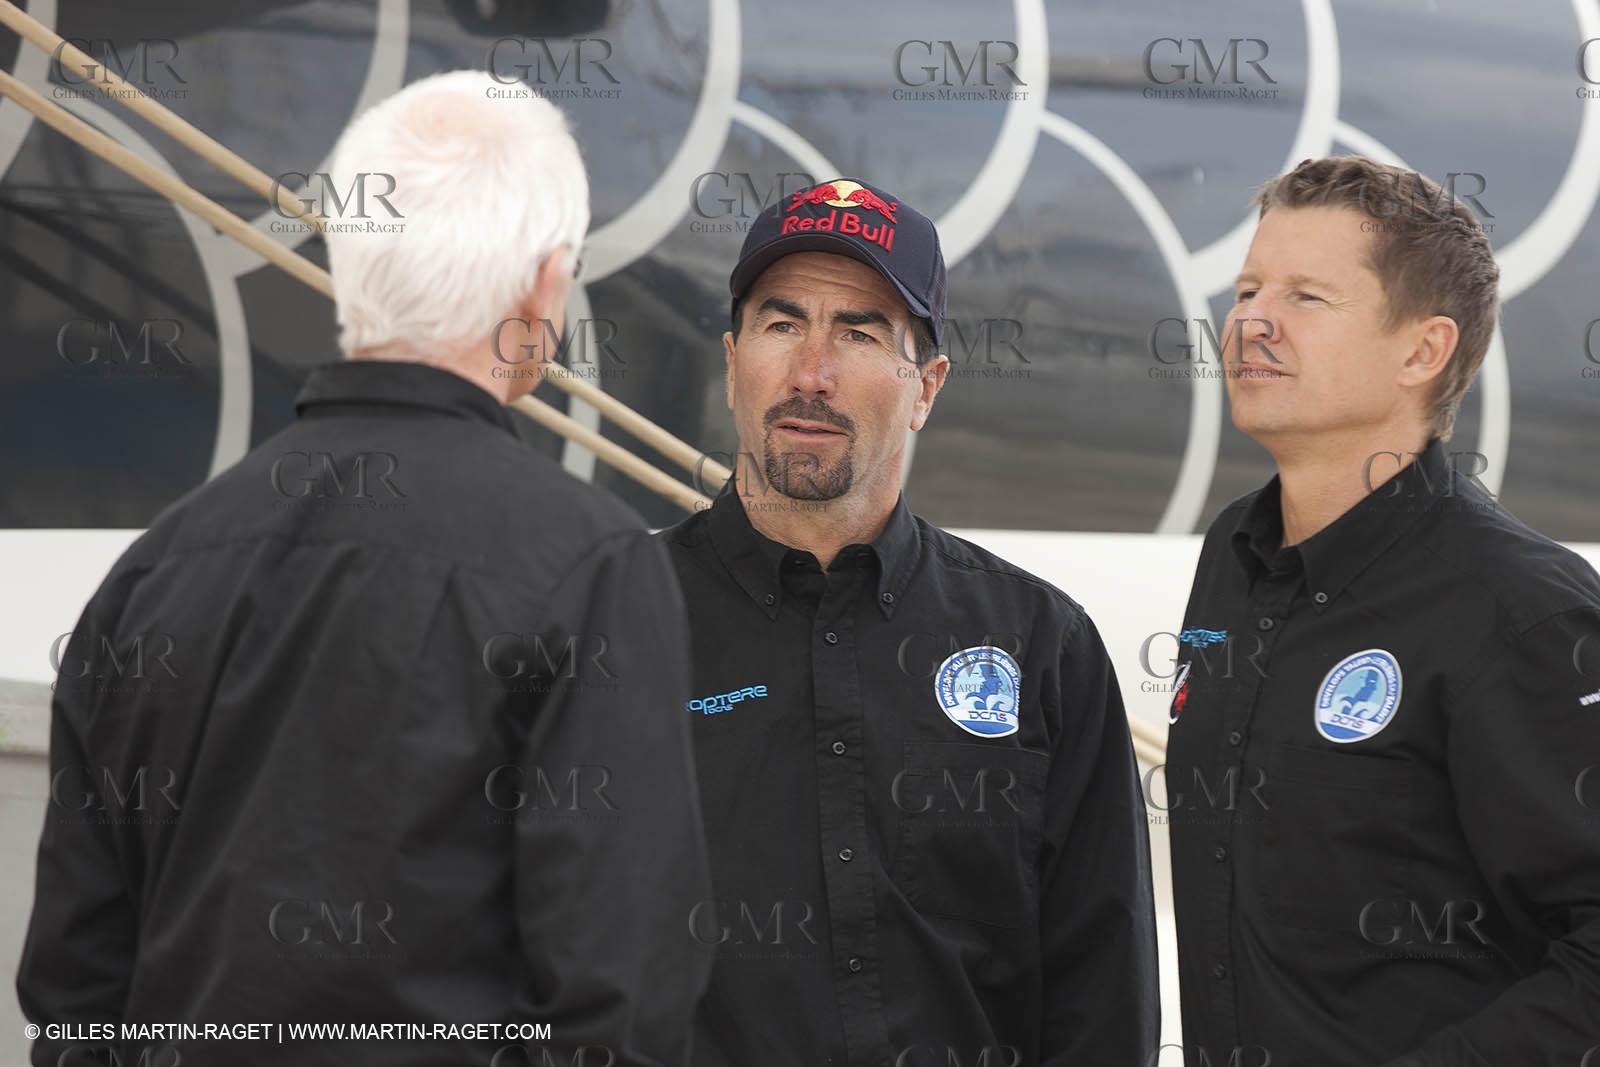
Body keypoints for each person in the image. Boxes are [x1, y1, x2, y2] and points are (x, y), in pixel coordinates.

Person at [17, 70, 711, 1067]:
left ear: (344, 256)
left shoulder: (152, 573)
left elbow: (78, 1000)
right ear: (546, 284)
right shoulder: (592, 569)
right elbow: (622, 1005)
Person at [661, 178, 1159, 1067]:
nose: (811, 372)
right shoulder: (609, 623)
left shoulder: (1044, 647)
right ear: (733, 360)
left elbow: (1102, 999)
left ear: (926, 386)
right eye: (783, 325)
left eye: (858, 332)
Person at [1166, 156, 1600, 1065]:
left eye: (1306, 297)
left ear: (1422, 350)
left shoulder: (1524, 610)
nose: (1250, 319)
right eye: (1248, 287)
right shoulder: (1233, 558)